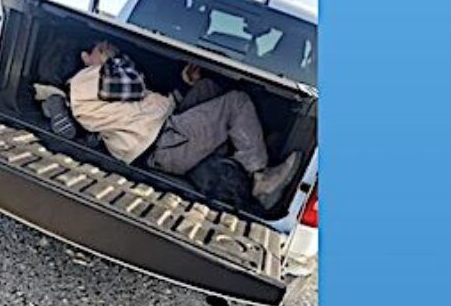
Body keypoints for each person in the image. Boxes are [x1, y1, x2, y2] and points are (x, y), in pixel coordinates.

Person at [67, 41, 301, 211]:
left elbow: (145, 107)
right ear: (86, 58)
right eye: (100, 48)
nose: (107, 47)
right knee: (237, 102)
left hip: (162, 133)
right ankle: (259, 178)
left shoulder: (104, 82)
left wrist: (185, 85)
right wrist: (114, 57)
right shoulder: (86, 78)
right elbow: (134, 86)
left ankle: (237, 152)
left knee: (207, 87)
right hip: (163, 145)